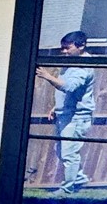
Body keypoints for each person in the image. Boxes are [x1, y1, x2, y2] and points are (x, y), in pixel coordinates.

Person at [35, 31, 96, 193]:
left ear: (81, 46)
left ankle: (67, 189)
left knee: (69, 154)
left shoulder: (83, 66)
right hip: (67, 113)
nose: (64, 52)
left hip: (77, 117)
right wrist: (57, 107)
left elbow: (69, 86)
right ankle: (80, 179)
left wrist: (47, 76)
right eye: (62, 48)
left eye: (67, 48)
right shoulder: (72, 62)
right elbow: (71, 93)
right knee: (62, 150)